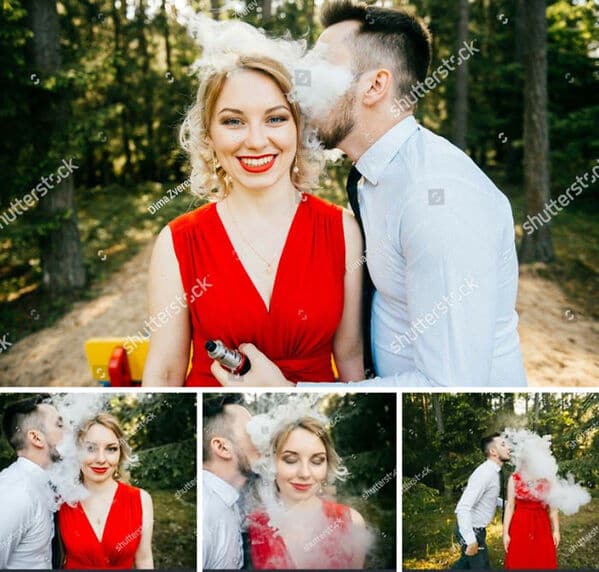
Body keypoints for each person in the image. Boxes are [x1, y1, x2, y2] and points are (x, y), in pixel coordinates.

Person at [211, 0, 528, 388]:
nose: (303, 80)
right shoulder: (375, 175)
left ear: (375, 85)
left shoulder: (438, 199)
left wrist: (288, 391)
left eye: (322, 63)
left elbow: (451, 385)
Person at [143, 53, 364, 386]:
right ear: (209, 135)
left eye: (275, 119)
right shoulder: (178, 241)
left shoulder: (342, 230)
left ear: (298, 128)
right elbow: (165, 372)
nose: (257, 141)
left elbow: (350, 357)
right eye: (234, 121)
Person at [247, 416, 368, 569]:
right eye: (290, 460)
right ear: (271, 463)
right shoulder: (252, 525)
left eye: (317, 461)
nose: (305, 473)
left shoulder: (352, 522)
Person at [58, 413, 154, 569]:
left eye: (111, 449)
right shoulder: (61, 500)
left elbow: (144, 560)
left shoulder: (141, 499)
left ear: (120, 453)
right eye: (90, 448)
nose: (101, 459)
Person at [0, 395, 64, 570]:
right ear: (36, 438)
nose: (68, 432)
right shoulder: (15, 493)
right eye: (59, 425)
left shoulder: (44, 485)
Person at [202, 395, 259, 569]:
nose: (262, 439)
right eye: (252, 432)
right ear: (222, 447)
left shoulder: (229, 500)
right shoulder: (206, 515)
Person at [452, 433, 510, 569]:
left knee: (465, 565)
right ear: (493, 451)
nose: (508, 448)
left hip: (477, 529)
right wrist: (471, 540)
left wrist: (509, 505)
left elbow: (489, 497)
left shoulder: (493, 472)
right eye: (503, 444)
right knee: (481, 567)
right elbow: (463, 508)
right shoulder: (485, 473)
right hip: (471, 530)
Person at [503, 464, 559, 569]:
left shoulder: (548, 478)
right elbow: (510, 506)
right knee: (519, 559)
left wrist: (556, 530)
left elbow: (553, 508)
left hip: (542, 525)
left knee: (543, 560)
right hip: (520, 525)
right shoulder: (515, 478)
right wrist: (505, 533)